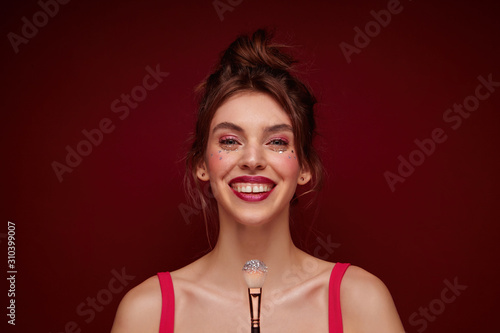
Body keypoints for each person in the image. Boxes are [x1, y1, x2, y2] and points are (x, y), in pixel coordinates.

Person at [110, 29, 405, 333]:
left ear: (304, 167)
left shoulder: (360, 301)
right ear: (201, 164)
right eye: (229, 141)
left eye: (277, 141)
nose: (252, 159)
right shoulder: (147, 312)